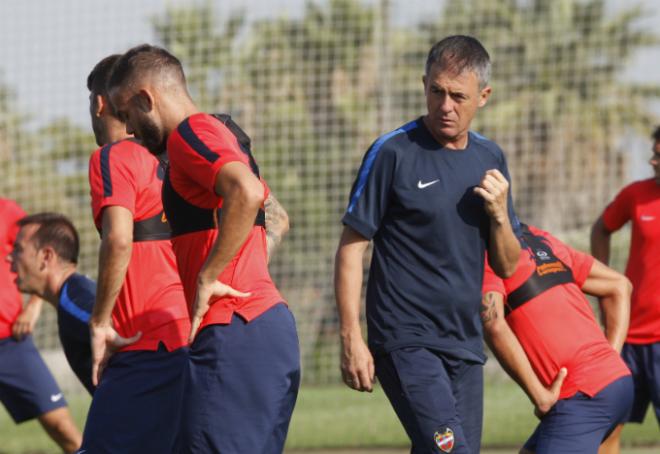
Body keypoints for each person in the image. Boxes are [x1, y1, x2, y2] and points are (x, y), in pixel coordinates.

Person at [107, 45, 300, 453]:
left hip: (235, 331)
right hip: (265, 328)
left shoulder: (189, 134)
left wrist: (210, 276)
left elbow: (247, 194)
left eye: (127, 114)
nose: (127, 129)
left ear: (147, 98)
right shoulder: (218, 135)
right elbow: (274, 215)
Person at [334, 35, 521, 454]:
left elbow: (508, 265)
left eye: (458, 95)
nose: (445, 105)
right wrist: (351, 336)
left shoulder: (491, 158)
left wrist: (499, 214)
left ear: (484, 96)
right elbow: (351, 247)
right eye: (436, 91)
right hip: (406, 339)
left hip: (465, 344)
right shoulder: (393, 152)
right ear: (423, 84)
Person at [80, 53, 192, 453]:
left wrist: (100, 322)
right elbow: (273, 218)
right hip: (194, 335)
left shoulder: (112, 157)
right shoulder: (178, 155)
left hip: (141, 341)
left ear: (98, 103)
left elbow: (119, 240)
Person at [482, 223, 633, 454]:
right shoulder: (541, 239)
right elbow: (619, 285)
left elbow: (493, 324)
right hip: (616, 381)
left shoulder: (487, 252)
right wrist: (610, 360)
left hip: (582, 396)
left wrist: (540, 396)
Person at [590, 126, 660, 450]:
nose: (653, 161)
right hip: (627, 337)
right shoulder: (635, 195)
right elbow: (601, 229)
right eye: (654, 154)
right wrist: (605, 285)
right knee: (608, 425)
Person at [0, 199, 82, 454]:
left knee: (60, 426)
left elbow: (42, 255)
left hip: (9, 339)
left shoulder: (7, 212)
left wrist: (34, 305)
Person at [8, 212, 95, 395]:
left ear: (46, 257)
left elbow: (118, 332)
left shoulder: (74, 302)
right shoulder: (73, 294)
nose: (10, 257)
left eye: (18, 249)